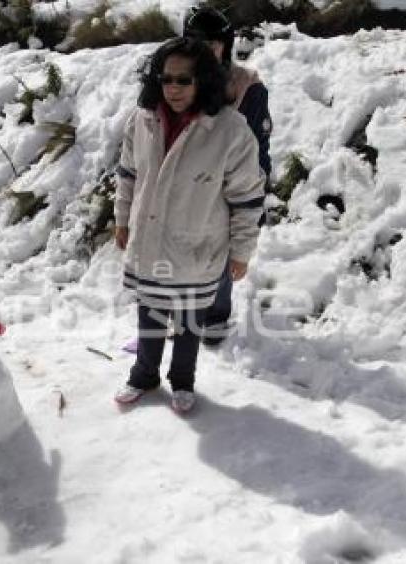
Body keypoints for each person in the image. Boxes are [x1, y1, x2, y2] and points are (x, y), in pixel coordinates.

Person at [113, 37, 265, 413]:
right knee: (149, 311)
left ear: (204, 81)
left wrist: (242, 251)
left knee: (188, 320)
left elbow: (246, 198)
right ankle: (144, 375)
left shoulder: (230, 130)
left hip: (197, 244)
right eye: (167, 79)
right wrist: (121, 218)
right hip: (149, 238)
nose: (174, 89)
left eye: (185, 80)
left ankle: (183, 380)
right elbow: (129, 175)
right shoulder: (143, 118)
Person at [184, 6, 273, 346]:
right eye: (197, 42)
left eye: (213, 43)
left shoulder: (245, 87)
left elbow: (257, 147)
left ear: (225, 44)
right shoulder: (175, 78)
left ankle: (215, 320)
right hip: (184, 186)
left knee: (221, 258)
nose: (207, 50)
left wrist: (256, 194)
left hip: (227, 188)